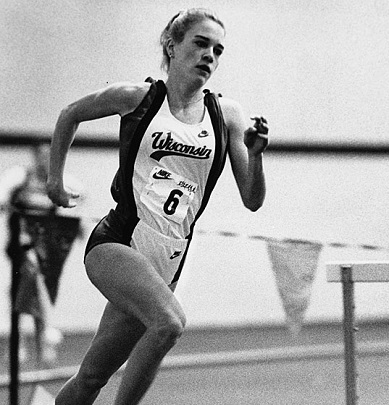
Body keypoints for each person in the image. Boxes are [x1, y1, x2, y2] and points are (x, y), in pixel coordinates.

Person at [47, 8, 269, 404]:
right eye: (200, 44)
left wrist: (256, 156)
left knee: (92, 377)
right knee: (169, 324)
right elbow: (70, 115)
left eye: (218, 50)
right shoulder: (138, 97)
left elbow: (252, 200)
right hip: (117, 243)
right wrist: (55, 182)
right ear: (171, 45)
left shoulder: (227, 115)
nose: (209, 56)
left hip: (167, 259)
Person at [0, 143, 83, 366]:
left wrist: (77, 223)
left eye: (51, 156)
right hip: (20, 247)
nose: (46, 160)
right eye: (42, 156)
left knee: (36, 290)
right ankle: (23, 343)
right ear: (35, 157)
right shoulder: (19, 178)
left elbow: (79, 198)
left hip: (47, 248)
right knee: (23, 288)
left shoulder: (59, 182)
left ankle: (41, 340)